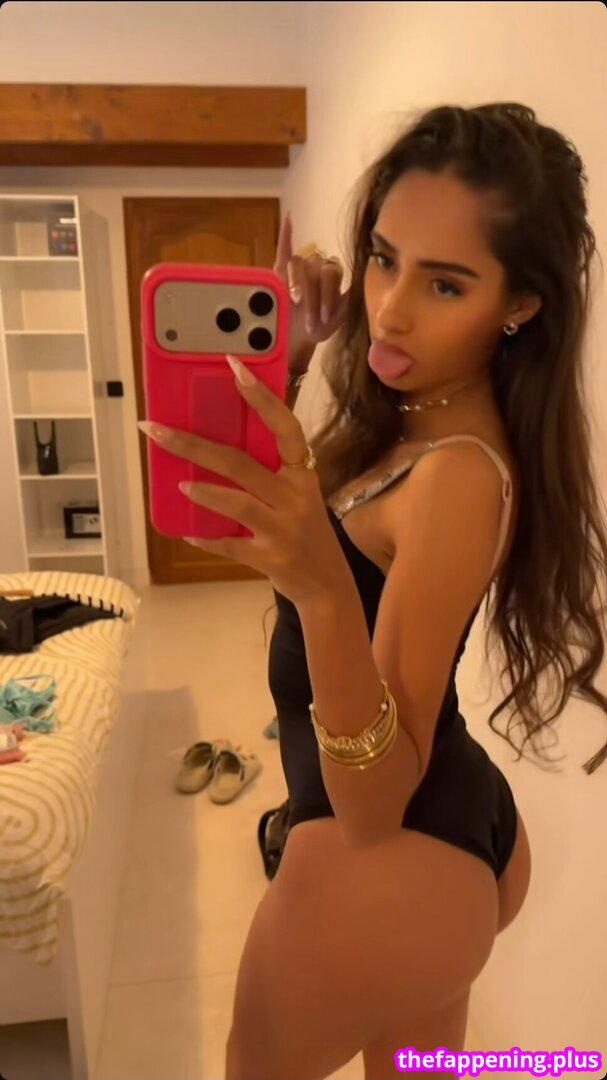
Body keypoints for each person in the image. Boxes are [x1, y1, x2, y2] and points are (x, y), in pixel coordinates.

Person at [142, 102, 607, 1078]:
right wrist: (294, 355)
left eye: (444, 283)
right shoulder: (416, 415)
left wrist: (323, 592)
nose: (389, 308)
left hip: (387, 848)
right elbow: (236, 514)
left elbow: (372, 804)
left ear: (519, 304)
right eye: (384, 258)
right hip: (454, 833)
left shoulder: (458, 476)